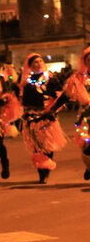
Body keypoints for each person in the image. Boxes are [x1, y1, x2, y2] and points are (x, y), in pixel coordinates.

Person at [19, 53, 68, 183]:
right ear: (30, 66)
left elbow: (59, 95)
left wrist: (53, 108)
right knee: (36, 146)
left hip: (46, 115)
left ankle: (46, 169)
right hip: (32, 116)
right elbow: (24, 100)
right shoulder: (27, 81)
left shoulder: (50, 78)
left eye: (40, 61)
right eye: (35, 62)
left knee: (47, 145)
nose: (38, 63)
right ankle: (41, 171)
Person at [54, 46, 90, 180]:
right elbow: (66, 95)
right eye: (89, 60)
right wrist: (53, 109)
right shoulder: (78, 79)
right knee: (87, 146)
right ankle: (88, 166)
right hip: (86, 117)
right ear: (85, 62)